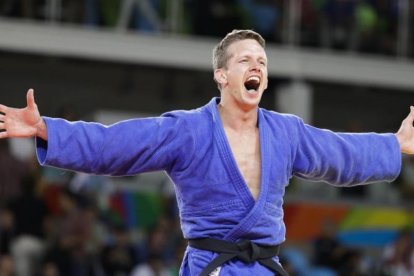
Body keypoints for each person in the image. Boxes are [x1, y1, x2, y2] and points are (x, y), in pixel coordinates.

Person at [0, 29, 413, 275]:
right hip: (211, 266)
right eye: (245, 60)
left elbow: (339, 155)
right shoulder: (188, 131)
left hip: (265, 267)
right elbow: (114, 145)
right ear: (221, 74)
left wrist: (394, 144)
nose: (257, 67)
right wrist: (47, 129)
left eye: (263, 62)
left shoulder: (285, 132)